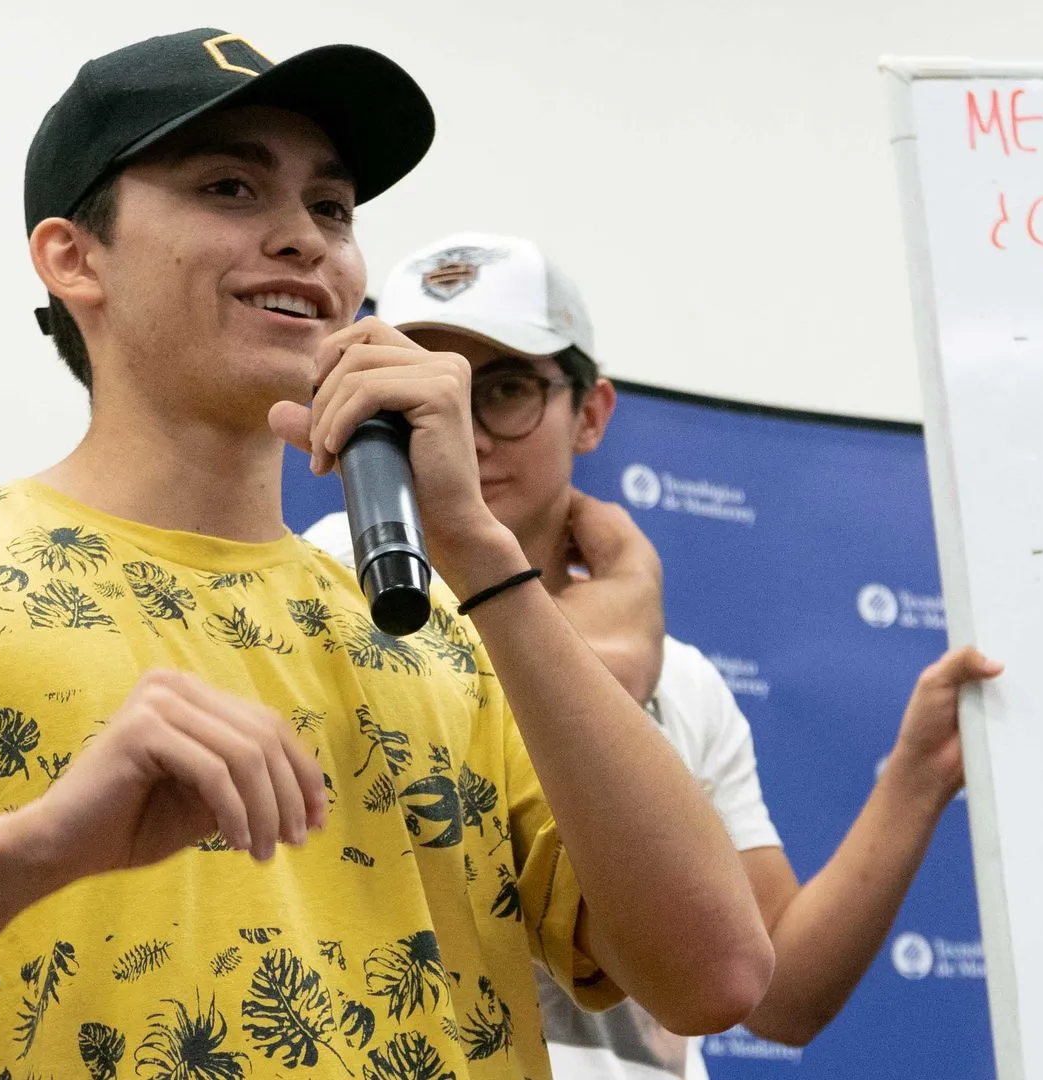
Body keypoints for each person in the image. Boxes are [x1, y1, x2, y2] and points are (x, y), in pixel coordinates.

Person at [0, 33, 773, 1080]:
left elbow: (718, 974)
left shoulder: (450, 631)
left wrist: (478, 549)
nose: (304, 240)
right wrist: (23, 855)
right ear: (72, 256)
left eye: (331, 208)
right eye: (230, 187)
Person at [305, 232, 1003, 1080]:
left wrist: (917, 778)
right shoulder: (333, 579)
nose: (464, 425)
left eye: (507, 390)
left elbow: (775, 992)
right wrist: (606, 653)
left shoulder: (688, 680)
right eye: (426, 381)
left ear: (591, 413)